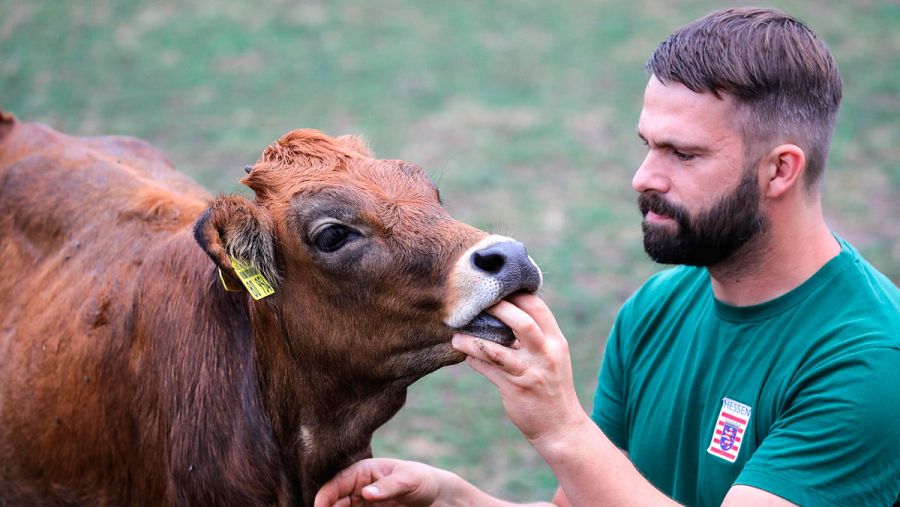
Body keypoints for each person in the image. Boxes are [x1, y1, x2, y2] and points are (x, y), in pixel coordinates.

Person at [315, 7, 900, 507]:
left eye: (684, 155)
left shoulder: (870, 362)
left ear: (780, 170)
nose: (644, 177)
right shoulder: (656, 309)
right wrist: (453, 497)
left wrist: (561, 426)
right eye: (648, 146)